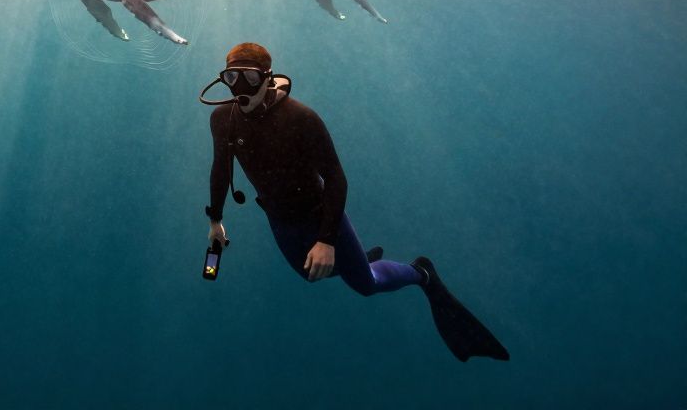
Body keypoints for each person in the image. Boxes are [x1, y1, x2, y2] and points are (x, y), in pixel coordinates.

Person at [200, 42, 509, 362]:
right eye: (231, 77)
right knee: (309, 274)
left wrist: (326, 241)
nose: (239, 88)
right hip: (279, 218)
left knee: (366, 284)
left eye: (249, 78)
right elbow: (221, 169)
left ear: (267, 78)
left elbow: (336, 179)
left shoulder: (300, 118)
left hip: (320, 214)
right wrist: (215, 221)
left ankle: (421, 273)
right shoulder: (223, 119)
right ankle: (356, 259)